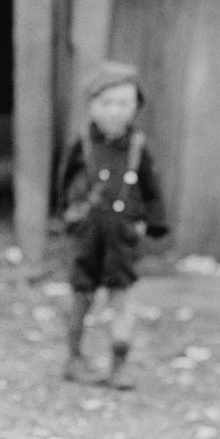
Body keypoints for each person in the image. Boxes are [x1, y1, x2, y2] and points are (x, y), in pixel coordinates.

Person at [57, 60, 168, 389]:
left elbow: (152, 188)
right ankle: (74, 358)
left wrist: (154, 223)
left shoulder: (138, 147)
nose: (114, 111)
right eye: (106, 103)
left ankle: (120, 364)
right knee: (81, 293)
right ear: (92, 105)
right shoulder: (83, 143)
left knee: (122, 295)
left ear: (135, 106)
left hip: (122, 235)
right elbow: (64, 182)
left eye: (123, 103)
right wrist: (68, 213)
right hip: (87, 234)